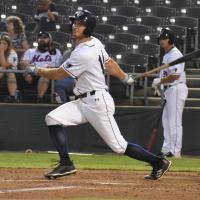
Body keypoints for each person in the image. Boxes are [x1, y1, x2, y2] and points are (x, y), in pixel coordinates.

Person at [26, 10, 171, 180]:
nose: (74, 26)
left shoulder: (83, 52)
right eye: (74, 23)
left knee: (119, 146)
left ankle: (158, 162)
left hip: (97, 102)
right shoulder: (95, 42)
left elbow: (58, 74)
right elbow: (109, 63)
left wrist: (37, 70)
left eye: (80, 24)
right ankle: (66, 163)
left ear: (88, 28)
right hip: (83, 101)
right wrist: (124, 77)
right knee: (52, 118)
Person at [152, 28, 188, 158]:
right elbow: (167, 75)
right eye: (161, 38)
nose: (162, 41)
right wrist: (160, 84)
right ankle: (167, 148)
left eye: (164, 38)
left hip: (176, 88)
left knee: (174, 121)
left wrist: (160, 80)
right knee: (166, 121)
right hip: (169, 90)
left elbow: (175, 76)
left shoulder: (175, 54)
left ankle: (175, 151)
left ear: (170, 40)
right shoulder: (167, 55)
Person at [20, 31, 62, 103]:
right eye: (40, 37)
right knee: (24, 63)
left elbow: (58, 67)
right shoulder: (30, 51)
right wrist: (27, 74)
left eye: (45, 37)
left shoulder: (56, 52)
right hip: (33, 74)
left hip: (49, 75)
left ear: (50, 40)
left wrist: (45, 69)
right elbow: (23, 64)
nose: (42, 39)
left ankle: (39, 99)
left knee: (45, 76)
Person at [0, 33, 19, 103]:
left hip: (12, 74)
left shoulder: (12, 53)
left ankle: (13, 97)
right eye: (0, 43)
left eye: (4, 44)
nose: (1, 45)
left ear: (8, 46)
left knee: (6, 72)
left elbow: (4, 65)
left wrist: (1, 51)